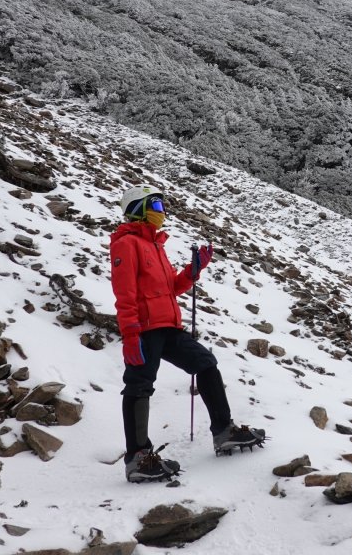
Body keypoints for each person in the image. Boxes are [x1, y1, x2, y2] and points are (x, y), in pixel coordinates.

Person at [110, 184, 265, 482]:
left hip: (168, 326)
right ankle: (137, 457)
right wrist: (130, 334)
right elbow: (125, 292)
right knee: (139, 385)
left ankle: (223, 431)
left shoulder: (156, 245)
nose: (162, 212)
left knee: (205, 362)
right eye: (155, 206)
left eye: (162, 207)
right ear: (137, 210)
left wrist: (192, 272)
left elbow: (171, 288)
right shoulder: (126, 244)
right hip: (143, 329)